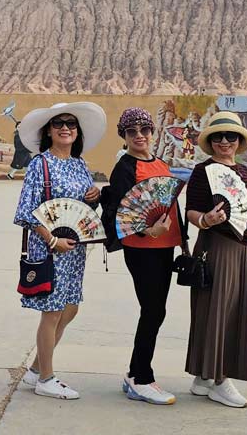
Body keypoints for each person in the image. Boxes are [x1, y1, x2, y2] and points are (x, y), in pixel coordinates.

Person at [14, 102, 106, 400]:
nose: (65, 128)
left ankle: (36, 369)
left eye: (71, 124)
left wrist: (94, 196)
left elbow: (82, 210)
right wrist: (52, 241)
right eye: (58, 124)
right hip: (49, 248)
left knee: (70, 307)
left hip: (74, 249)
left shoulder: (80, 164)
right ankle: (46, 378)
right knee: (52, 311)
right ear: (48, 132)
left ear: (77, 132)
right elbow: (27, 211)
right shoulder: (40, 164)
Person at [99, 108, 182, 406]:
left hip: (166, 246)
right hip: (142, 248)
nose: (139, 136)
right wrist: (148, 231)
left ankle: (136, 373)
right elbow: (120, 213)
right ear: (123, 136)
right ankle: (141, 378)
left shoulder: (161, 163)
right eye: (131, 131)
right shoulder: (124, 167)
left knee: (157, 311)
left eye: (144, 130)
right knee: (152, 311)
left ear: (152, 132)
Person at [184, 111, 247, 408]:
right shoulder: (203, 171)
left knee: (226, 309)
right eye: (218, 136)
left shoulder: (242, 171)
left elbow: (245, 209)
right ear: (210, 141)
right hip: (218, 246)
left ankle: (202, 377)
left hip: (242, 249)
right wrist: (206, 219)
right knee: (219, 312)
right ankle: (220, 380)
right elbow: (191, 211)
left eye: (231, 136)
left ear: (239, 140)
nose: (224, 141)